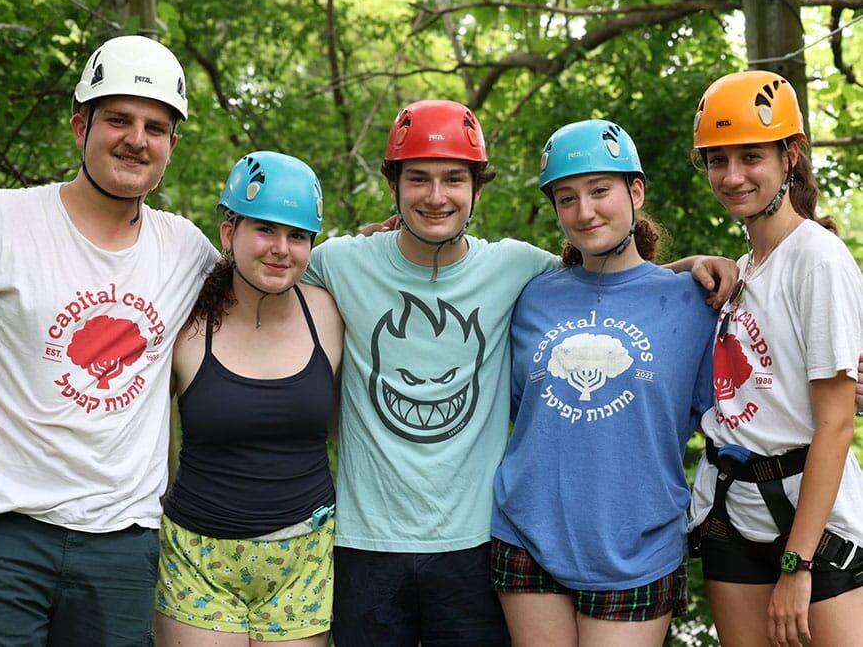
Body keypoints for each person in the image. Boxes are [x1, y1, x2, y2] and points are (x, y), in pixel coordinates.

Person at [301, 100, 736, 647]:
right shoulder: (344, 263)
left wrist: (694, 267)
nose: (436, 196)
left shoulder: (521, 271)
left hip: (510, 543)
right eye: (419, 179)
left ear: (476, 189)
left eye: (454, 179)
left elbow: (624, 281)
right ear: (394, 187)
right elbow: (266, 265)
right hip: (412, 540)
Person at [0, 35, 217, 645]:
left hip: (124, 544)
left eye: (155, 127)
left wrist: (376, 248)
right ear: (80, 126)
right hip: (2, 531)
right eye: (118, 119)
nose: (137, 139)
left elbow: (276, 277)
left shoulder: (185, 250)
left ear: (171, 147)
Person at [489, 119, 717, 646]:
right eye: (566, 198)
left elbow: (750, 403)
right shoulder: (531, 296)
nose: (584, 211)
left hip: (638, 546)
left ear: (635, 191)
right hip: (526, 534)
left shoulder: (696, 302)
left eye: (599, 191)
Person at [687, 70, 863, 647]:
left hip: (811, 527)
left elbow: (836, 424)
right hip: (731, 510)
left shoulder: (817, 259)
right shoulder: (745, 268)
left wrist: (798, 564)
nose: (732, 176)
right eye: (718, 160)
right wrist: (691, 261)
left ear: (790, 156)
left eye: (751, 157)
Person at [152, 151, 343, 646]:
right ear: (228, 232)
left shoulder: (331, 312)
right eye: (265, 229)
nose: (281, 249)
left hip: (303, 558)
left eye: (298, 236)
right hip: (198, 557)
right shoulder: (185, 319)